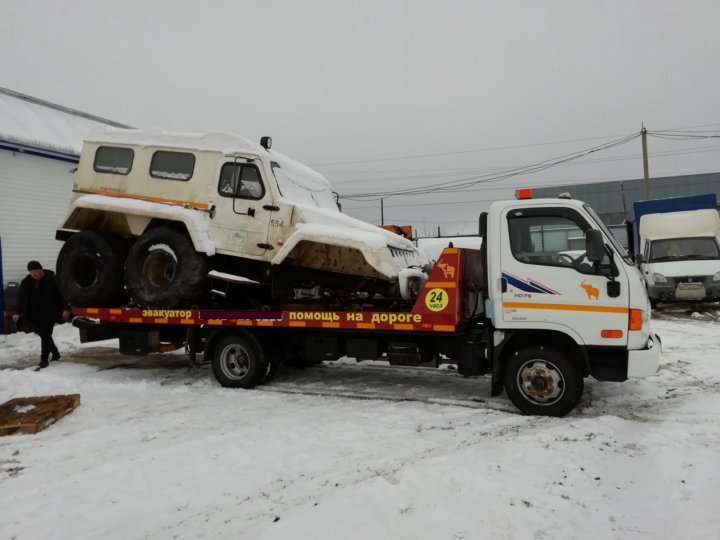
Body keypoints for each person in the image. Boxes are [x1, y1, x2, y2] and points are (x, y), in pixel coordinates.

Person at [12, 261, 71, 371]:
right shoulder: (26, 281)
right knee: (44, 335)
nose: (34, 274)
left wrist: (66, 308)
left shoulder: (52, 279)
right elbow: (20, 297)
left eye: (35, 271)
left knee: (45, 334)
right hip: (33, 314)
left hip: (50, 313)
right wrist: (17, 312)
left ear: (41, 269)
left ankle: (44, 360)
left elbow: (62, 295)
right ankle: (55, 353)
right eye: (31, 272)